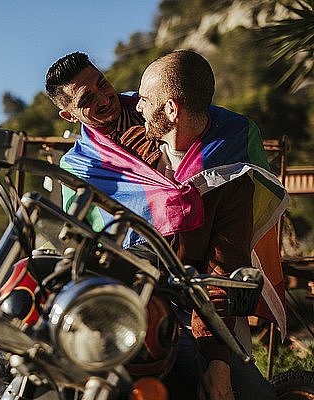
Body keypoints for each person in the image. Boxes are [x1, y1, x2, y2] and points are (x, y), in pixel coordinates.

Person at [45, 51, 288, 400]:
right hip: (132, 306)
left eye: (103, 84)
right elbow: (87, 246)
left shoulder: (162, 113)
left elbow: (225, 246)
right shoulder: (81, 168)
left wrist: (164, 164)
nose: (105, 98)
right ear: (68, 115)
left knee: (239, 388)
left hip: (206, 290)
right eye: (87, 100)